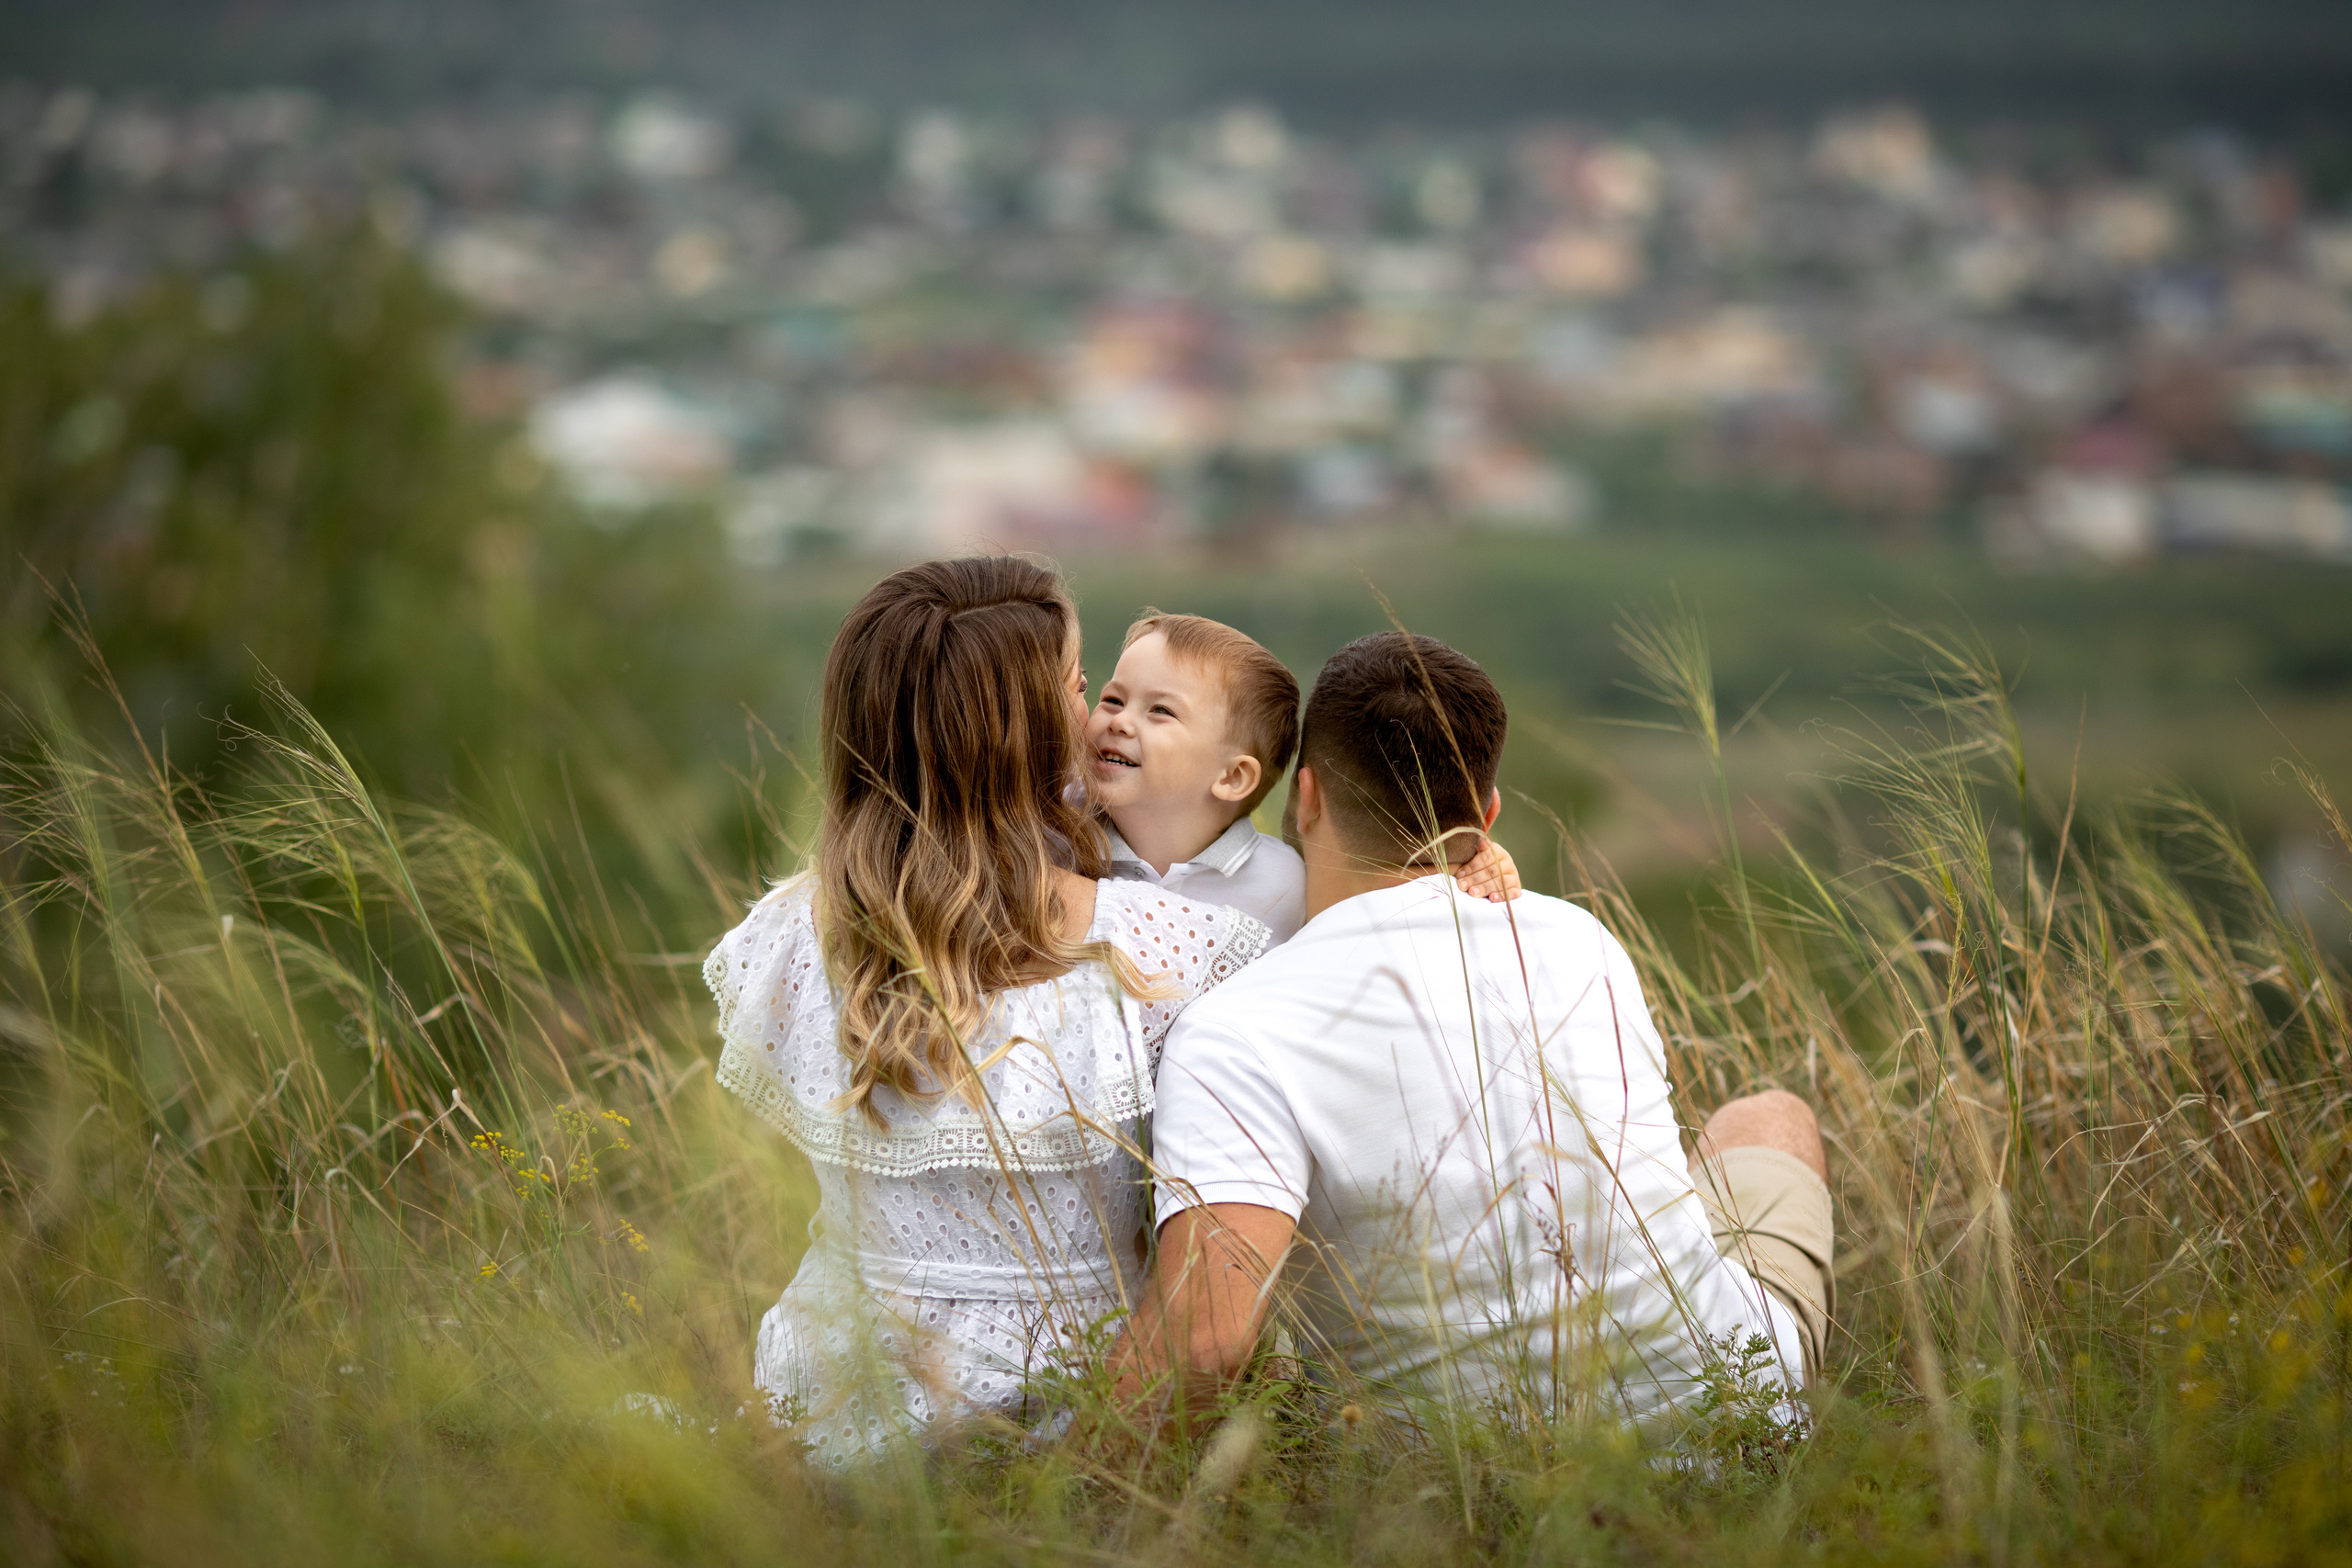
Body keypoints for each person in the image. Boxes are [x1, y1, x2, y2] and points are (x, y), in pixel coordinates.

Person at [1111, 631, 1837, 1433]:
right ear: (1486, 817)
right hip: (1736, 1421)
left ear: (1305, 797)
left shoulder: (1237, 1027)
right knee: (1773, 1118)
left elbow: (1204, 1345)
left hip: (1448, 1474)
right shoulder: (1581, 941)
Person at [706, 558, 1274, 1469]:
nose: (1101, 717)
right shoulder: (1175, 954)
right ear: (1028, 734)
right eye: (1080, 688)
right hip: (1076, 1415)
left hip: (823, 1399)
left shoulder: (788, 940)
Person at [1086, 611, 1520, 946]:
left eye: (1160, 710)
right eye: (1111, 698)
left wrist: (1480, 867)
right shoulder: (1058, 833)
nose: (1120, 721)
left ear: (1234, 777)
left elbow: (1382, 886)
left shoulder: (1287, 883)